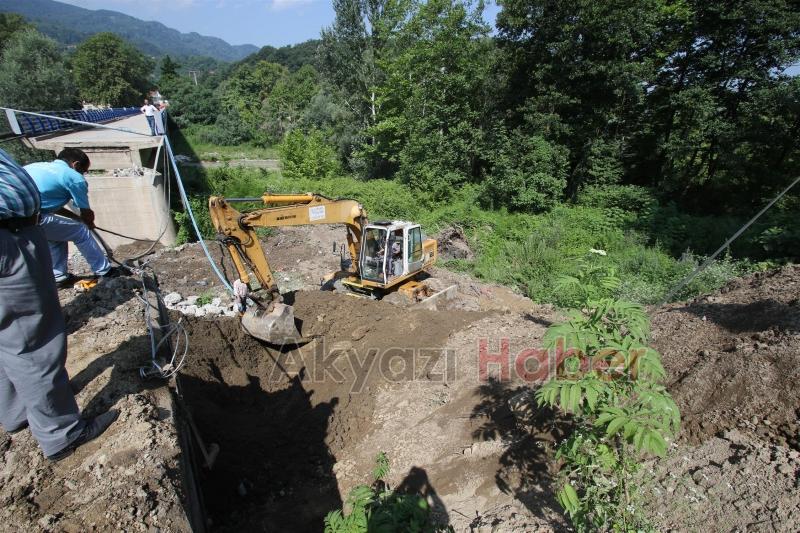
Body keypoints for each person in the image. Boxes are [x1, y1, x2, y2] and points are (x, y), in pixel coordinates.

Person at [0, 148, 117, 461]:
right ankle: (62, 435)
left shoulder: (41, 166)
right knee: (34, 339)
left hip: (21, 227)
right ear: (77, 165)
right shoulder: (71, 175)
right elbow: (83, 212)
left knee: (7, 335)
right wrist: (86, 220)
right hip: (9, 236)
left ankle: (17, 413)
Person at [24, 148, 123, 287]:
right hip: (33, 218)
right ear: (75, 164)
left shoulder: (36, 167)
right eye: (84, 170)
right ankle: (105, 271)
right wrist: (87, 222)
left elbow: (50, 205)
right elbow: (86, 212)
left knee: (57, 237)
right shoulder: (74, 177)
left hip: (17, 219)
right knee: (81, 231)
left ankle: (59, 276)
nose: (83, 174)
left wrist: (77, 218)